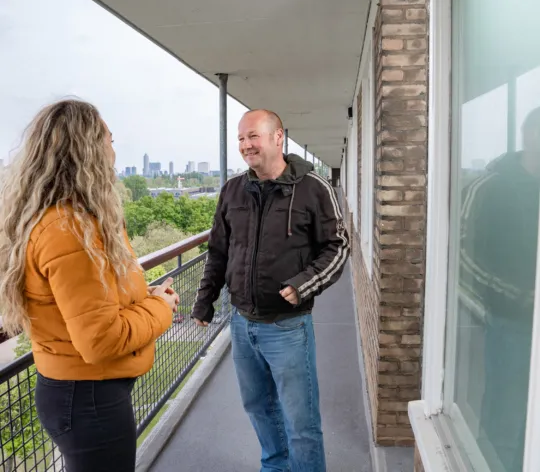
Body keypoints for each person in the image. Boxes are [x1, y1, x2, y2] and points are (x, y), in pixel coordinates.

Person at [0, 99, 178, 472]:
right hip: (88, 399)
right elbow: (101, 339)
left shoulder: (71, 220)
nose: (114, 148)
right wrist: (161, 305)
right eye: (109, 139)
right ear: (88, 148)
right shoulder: (68, 230)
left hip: (80, 392)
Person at [192, 109, 350, 472]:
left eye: (253, 137)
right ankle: (275, 467)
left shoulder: (313, 188)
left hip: (288, 328)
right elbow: (218, 251)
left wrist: (302, 284)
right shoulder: (233, 190)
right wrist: (204, 302)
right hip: (242, 325)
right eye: (241, 139)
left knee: (301, 425)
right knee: (259, 409)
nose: (246, 145)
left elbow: (338, 247)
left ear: (278, 137)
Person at [459, 107, 540, 471]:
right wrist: (518, 297)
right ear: (527, 134)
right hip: (512, 324)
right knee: (504, 419)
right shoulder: (491, 186)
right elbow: (463, 252)